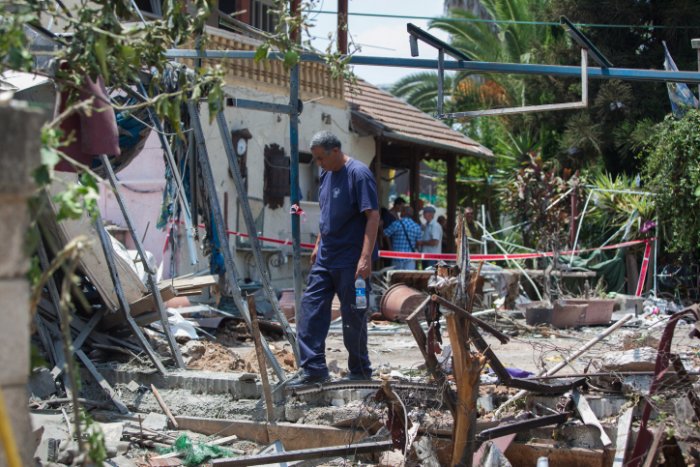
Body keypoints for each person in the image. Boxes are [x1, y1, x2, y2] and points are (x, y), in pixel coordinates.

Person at [288, 131, 380, 387]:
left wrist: (365, 258)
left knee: (354, 316)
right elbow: (326, 213)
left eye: (321, 158)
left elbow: (373, 216)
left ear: (335, 151)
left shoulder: (358, 174)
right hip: (326, 258)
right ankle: (314, 369)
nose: (319, 164)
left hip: (351, 261)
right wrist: (318, 243)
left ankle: (360, 370)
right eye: (316, 159)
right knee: (310, 310)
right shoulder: (327, 174)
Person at [382, 205, 422, 270]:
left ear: (403, 212)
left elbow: (385, 234)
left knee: (396, 278)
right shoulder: (416, 226)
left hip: (397, 258)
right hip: (410, 259)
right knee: (409, 278)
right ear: (411, 214)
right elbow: (419, 243)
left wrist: (390, 247)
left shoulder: (396, 224)